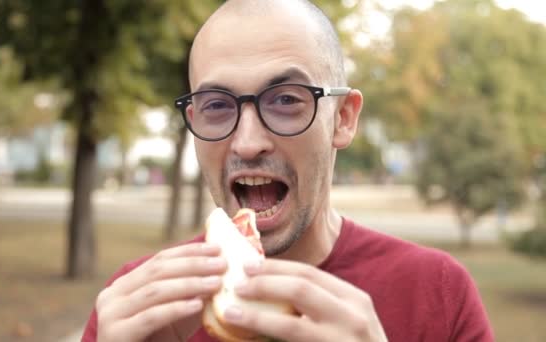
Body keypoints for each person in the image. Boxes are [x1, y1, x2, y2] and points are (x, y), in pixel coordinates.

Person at [82, 0, 494, 341]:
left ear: (343, 118)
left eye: (285, 100)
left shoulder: (437, 292)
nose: (247, 142)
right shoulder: (139, 305)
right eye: (217, 106)